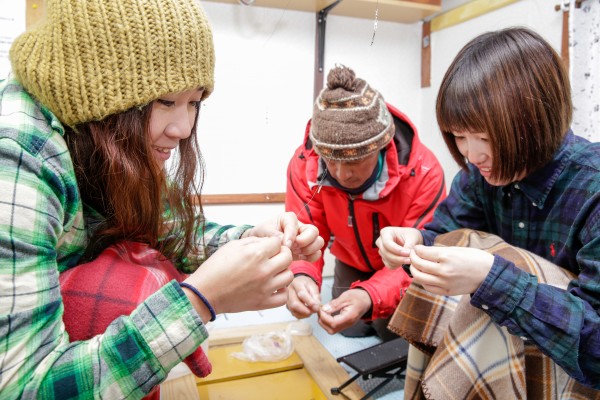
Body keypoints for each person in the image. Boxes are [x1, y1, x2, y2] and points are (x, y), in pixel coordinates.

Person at [0, 0, 324, 398]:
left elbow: (163, 228)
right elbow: (22, 388)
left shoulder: (102, 134)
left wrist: (248, 242)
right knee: (122, 289)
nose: (184, 128)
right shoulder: (17, 157)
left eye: (194, 102)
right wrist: (199, 302)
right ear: (98, 90)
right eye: (166, 101)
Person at [376, 27, 600, 389]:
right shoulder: (480, 176)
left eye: (485, 137)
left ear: (536, 119)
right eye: (459, 136)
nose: (471, 154)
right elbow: (444, 238)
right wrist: (412, 241)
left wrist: (491, 279)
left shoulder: (593, 188)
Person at [285, 65, 446, 340]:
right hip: (350, 258)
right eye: (331, 160)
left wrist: (368, 295)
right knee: (349, 330)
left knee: (391, 335)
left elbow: (420, 256)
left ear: (381, 146)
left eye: (356, 161)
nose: (342, 173)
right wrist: (302, 277)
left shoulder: (424, 171)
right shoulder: (304, 166)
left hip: (401, 264)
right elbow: (305, 233)